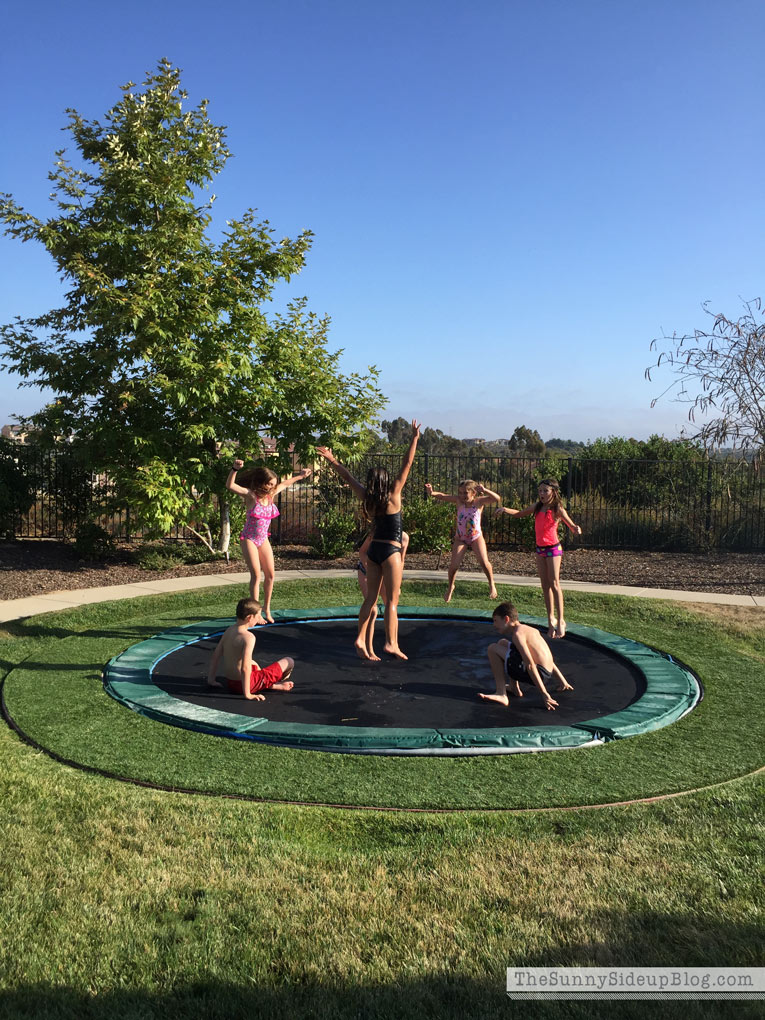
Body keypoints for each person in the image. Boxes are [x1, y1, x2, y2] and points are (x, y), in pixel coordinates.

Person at [317, 419, 421, 660]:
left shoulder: (366, 496)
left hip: (373, 552)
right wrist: (414, 438)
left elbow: (348, 476)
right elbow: (407, 463)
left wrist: (331, 459)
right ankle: (391, 643)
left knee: (371, 599)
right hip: (391, 552)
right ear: (386, 481)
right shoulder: (394, 492)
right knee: (392, 602)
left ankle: (360, 637)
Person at [227, 459, 312, 623]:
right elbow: (231, 486)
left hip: (263, 538)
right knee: (256, 575)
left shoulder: (271, 495)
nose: (273, 487)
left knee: (271, 575)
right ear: (262, 483)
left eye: (274, 484)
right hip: (249, 539)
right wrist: (234, 469)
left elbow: (286, 483)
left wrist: (300, 476)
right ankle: (256, 612)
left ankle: (266, 608)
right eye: (270, 484)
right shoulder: (251, 496)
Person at [496, 478, 582, 638]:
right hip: (540, 549)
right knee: (545, 586)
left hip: (553, 549)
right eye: (540, 491)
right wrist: (505, 509)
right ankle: (551, 620)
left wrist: (576, 529)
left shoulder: (558, 509)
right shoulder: (537, 507)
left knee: (554, 583)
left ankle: (561, 620)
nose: (541, 494)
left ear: (553, 492)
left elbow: (571, 525)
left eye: (545, 491)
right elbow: (520, 513)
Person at [479, 601, 573, 711]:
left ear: (506, 619)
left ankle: (501, 694)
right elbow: (547, 658)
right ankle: (514, 688)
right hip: (546, 672)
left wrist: (544, 693)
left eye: (495, 621)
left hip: (539, 673)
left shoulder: (518, 635)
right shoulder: (529, 630)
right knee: (502, 643)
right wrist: (562, 681)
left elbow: (530, 665)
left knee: (492, 648)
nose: (494, 625)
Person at [424, 479, 500, 602]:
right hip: (461, 538)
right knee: (453, 566)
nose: (462, 495)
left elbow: (497, 499)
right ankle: (450, 587)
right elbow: (443, 496)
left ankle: (492, 584)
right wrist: (431, 492)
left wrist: (485, 490)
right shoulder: (458, 501)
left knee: (484, 562)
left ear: (473, 493)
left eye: (465, 493)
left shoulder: (479, 502)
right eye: (460, 492)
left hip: (476, 537)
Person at [206, 597, 295, 700]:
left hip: (231, 683)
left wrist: (211, 680)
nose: (259, 619)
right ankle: (271, 683)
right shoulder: (248, 637)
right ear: (250, 617)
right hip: (246, 685)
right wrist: (248, 694)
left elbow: (215, 656)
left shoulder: (229, 630)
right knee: (289, 661)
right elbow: (245, 668)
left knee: (253, 663)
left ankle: (272, 685)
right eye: (258, 616)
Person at [356, 530, 410, 659]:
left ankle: (394, 644)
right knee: (373, 609)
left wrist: (398, 585)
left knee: (391, 605)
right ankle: (369, 650)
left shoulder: (403, 538)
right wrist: (370, 570)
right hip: (368, 570)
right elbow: (362, 552)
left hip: (387, 573)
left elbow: (401, 561)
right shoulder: (376, 533)